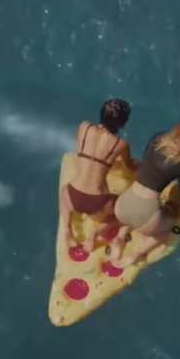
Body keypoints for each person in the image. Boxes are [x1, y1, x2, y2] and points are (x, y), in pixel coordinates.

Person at [109, 120, 180, 268]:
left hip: (123, 204)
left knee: (132, 219)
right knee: (169, 229)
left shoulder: (156, 139)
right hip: (146, 214)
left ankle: (120, 238)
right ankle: (137, 254)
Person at [59, 99, 137, 252]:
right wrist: (137, 165)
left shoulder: (84, 127)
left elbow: (81, 153)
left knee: (64, 193)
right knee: (121, 211)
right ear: (122, 123)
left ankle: (68, 230)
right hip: (98, 203)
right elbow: (130, 166)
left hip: (73, 195)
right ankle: (95, 235)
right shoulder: (120, 144)